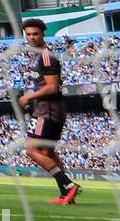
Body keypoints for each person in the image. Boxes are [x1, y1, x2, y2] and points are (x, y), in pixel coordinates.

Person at [17, 18, 79, 205]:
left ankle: (67, 184)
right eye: (28, 34)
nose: (31, 37)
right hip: (50, 109)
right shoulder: (36, 56)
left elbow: (52, 87)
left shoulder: (46, 56)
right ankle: (66, 195)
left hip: (47, 110)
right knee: (48, 153)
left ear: (43, 34)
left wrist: (28, 97)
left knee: (32, 149)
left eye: (35, 34)